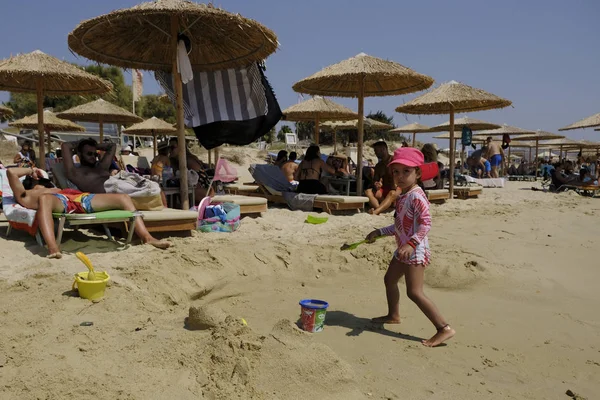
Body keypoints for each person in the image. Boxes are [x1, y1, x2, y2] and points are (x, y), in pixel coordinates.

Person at [364, 147, 455, 347]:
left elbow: (426, 223)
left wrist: (413, 244)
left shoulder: (416, 195)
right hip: (403, 249)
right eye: (396, 171)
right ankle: (393, 315)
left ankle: (443, 328)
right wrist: (379, 232)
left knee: (414, 292)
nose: (401, 176)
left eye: (407, 171)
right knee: (389, 279)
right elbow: (399, 226)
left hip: (415, 250)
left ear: (418, 173)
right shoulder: (403, 196)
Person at [7, 166, 170, 259]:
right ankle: (53, 247)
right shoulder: (27, 195)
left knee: (124, 198)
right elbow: (10, 173)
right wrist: (31, 169)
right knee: (45, 199)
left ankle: (147, 238)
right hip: (61, 202)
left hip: (79, 197)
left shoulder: (52, 186)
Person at [364, 141, 395, 211]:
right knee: (368, 192)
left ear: (383, 149)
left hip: (395, 190)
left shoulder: (394, 161)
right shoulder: (379, 166)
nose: (375, 153)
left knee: (392, 193)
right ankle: (379, 209)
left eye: (376, 150)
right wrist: (376, 184)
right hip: (383, 190)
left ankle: (378, 210)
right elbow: (375, 180)